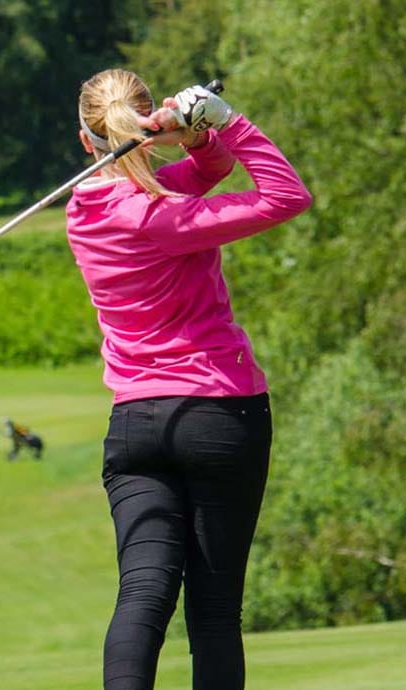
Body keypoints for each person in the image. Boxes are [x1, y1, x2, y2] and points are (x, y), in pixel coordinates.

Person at [67, 69, 311, 690]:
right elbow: (286, 195)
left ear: (84, 139)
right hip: (220, 415)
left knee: (142, 593)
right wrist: (225, 121)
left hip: (135, 427)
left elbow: (208, 174)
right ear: (146, 128)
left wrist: (198, 141)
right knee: (214, 612)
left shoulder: (84, 210)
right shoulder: (167, 218)